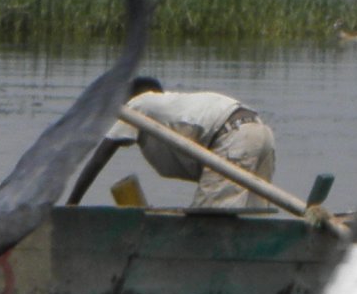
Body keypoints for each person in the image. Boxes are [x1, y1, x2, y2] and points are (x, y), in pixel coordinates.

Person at [68, 75, 276, 210]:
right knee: (251, 216)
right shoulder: (174, 108)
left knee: (210, 223)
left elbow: (101, 155)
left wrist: (72, 203)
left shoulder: (139, 104)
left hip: (233, 137)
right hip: (260, 132)